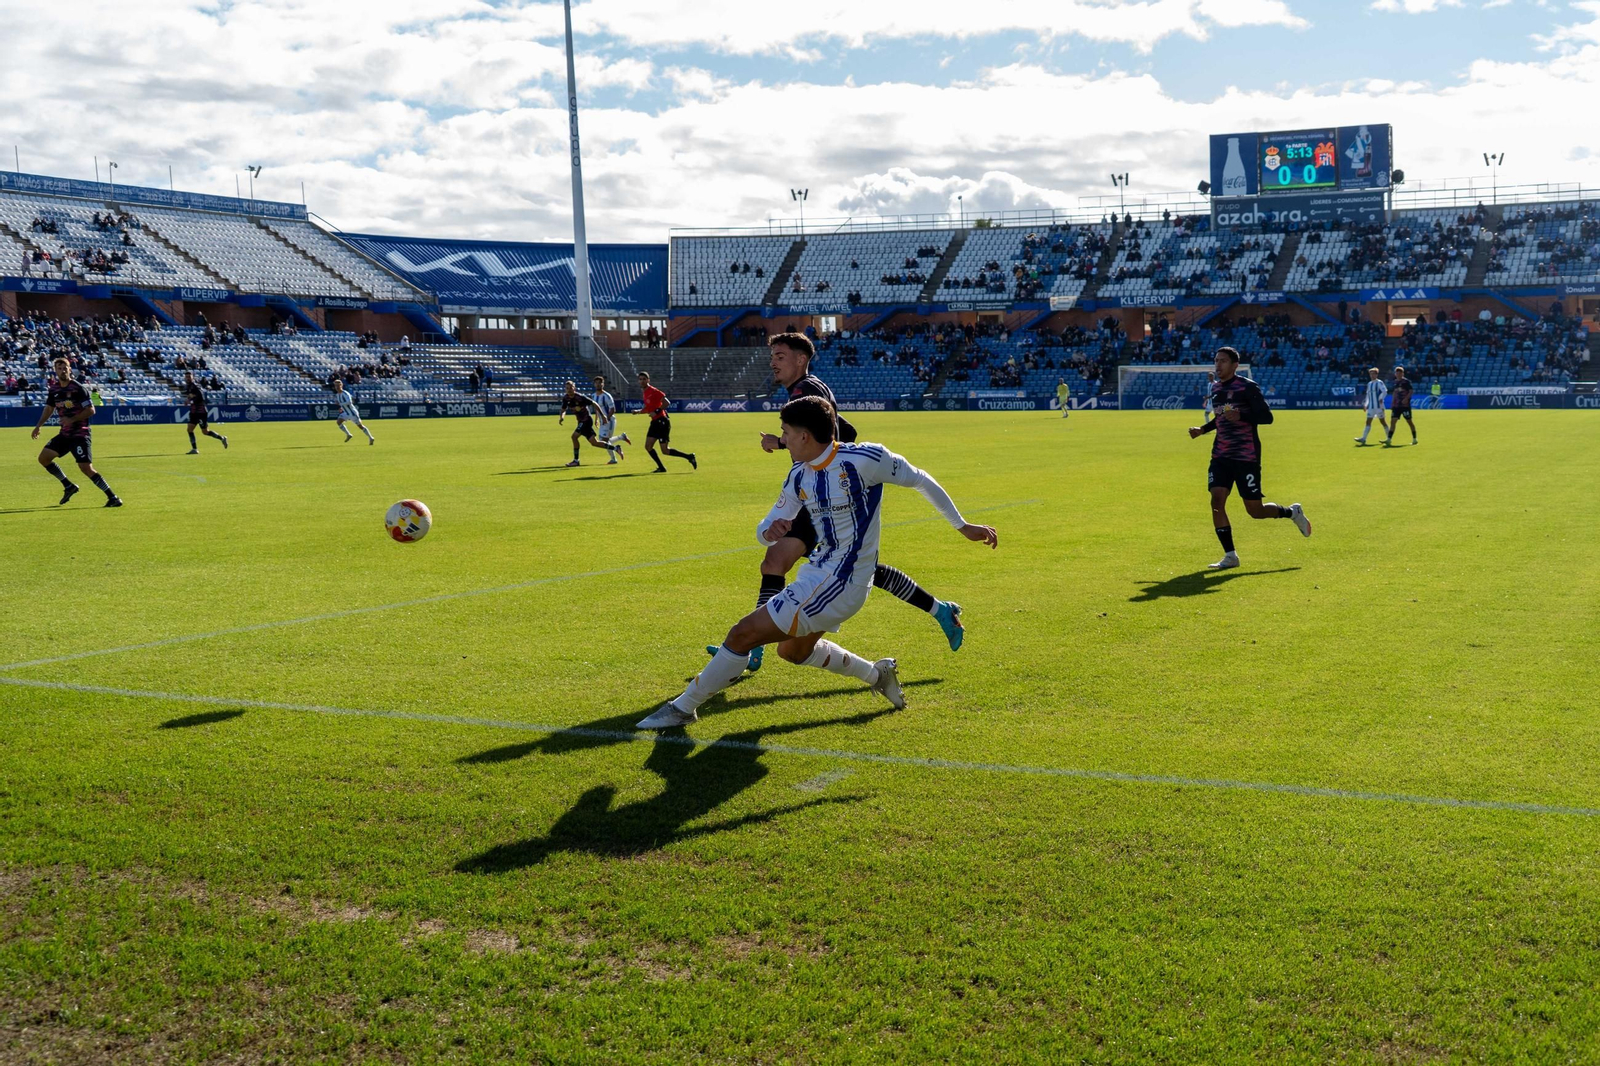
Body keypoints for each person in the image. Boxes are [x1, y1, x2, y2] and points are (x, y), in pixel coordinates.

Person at [636, 396, 999, 731]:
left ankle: (683, 708)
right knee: (792, 652)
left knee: (742, 634)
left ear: (805, 436)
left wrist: (962, 525)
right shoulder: (799, 475)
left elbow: (921, 479)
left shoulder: (866, 460)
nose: (783, 441)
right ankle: (878, 675)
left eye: (786, 434)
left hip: (843, 583)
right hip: (818, 575)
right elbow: (765, 528)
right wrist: (771, 530)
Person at [718, 332, 965, 672]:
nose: (773, 361)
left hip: (822, 497)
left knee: (776, 561)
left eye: (780, 355)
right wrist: (783, 444)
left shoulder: (806, 391)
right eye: (772, 355)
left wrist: (829, 471)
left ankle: (750, 648)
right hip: (819, 494)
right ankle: (940, 610)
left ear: (801, 360)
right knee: (858, 571)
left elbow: (839, 437)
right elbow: (843, 430)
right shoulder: (807, 390)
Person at [1188, 347, 1309, 570]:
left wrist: (1242, 415)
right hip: (1221, 455)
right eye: (1216, 360)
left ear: (1235, 365)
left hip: (1246, 456)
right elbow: (1221, 419)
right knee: (1216, 501)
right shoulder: (1215, 388)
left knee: (1255, 510)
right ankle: (1230, 556)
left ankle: (1292, 512)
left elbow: (1267, 417)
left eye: (1223, 361)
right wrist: (1202, 430)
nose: (1218, 365)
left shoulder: (1247, 387)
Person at [32, 357, 122, 507]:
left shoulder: (78, 388)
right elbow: (49, 408)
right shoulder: (54, 389)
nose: (63, 371)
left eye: (65, 367)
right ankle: (68, 486)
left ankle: (113, 497)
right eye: (59, 368)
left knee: (85, 468)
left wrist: (72, 419)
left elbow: (91, 410)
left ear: (70, 369)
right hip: (65, 434)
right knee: (44, 458)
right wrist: (38, 425)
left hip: (80, 434)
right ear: (55, 371)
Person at [637, 371, 696, 473]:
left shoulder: (653, 391)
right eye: (640, 379)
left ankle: (689, 457)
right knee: (648, 446)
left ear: (648, 380)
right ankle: (662, 468)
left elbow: (666, 402)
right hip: (655, 422)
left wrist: (657, 411)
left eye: (644, 379)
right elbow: (649, 408)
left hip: (662, 422)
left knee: (665, 450)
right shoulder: (645, 392)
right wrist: (638, 411)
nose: (642, 381)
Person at [558, 380, 617, 467]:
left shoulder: (580, 397)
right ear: (565, 389)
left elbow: (595, 404)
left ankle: (576, 460)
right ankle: (616, 448)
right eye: (567, 388)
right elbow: (563, 410)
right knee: (594, 442)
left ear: (574, 388)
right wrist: (562, 417)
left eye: (571, 388)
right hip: (581, 421)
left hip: (586, 420)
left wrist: (603, 416)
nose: (569, 390)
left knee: (574, 437)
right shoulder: (566, 398)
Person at [183, 371, 229, 453]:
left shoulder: (195, 386)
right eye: (186, 377)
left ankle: (222, 438)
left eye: (189, 377)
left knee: (205, 432)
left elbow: (201, 397)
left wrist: (191, 401)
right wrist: (189, 400)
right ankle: (194, 449)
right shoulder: (188, 386)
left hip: (201, 411)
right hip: (193, 412)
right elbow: (191, 396)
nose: (188, 378)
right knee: (189, 429)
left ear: (192, 377)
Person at [591, 374, 630, 464]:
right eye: (596, 383)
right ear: (594, 384)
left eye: (600, 383)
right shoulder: (593, 396)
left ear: (603, 384)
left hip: (610, 421)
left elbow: (613, 409)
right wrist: (596, 419)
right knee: (604, 441)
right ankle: (621, 437)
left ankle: (614, 459)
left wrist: (606, 419)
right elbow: (597, 409)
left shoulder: (607, 396)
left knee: (603, 441)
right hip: (602, 421)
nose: (598, 385)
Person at [330, 379, 374, 444]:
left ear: (341, 385)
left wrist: (340, 404)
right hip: (345, 412)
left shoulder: (345, 393)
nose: (337, 387)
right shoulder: (337, 395)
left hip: (352, 413)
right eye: (336, 386)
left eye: (338, 385)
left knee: (360, 426)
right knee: (339, 422)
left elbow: (349, 402)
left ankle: (371, 438)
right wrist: (341, 408)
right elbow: (343, 404)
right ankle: (348, 434)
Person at [1354, 366, 1388, 446]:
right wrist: (1365, 404)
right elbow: (1368, 396)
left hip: (1379, 407)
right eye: (1371, 374)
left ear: (1376, 375)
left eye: (1373, 374)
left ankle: (1388, 438)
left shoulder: (1379, 382)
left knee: (1383, 422)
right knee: (1368, 421)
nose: (1372, 375)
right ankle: (1363, 438)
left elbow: (1385, 391)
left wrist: (1380, 398)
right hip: (1371, 407)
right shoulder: (1369, 384)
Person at [1386, 366, 1417, 445]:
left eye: (1400, 373)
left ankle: (1414, 439)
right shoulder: (1395, 382)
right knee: (1393, 421)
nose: (1398, 374)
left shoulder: (1406, 382)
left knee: (1409, 421)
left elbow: (1411, 391)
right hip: (1396, 406)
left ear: (1402, 373)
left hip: (1405, 406)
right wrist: (1393, 402)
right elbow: (1394, 393)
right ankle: (1389, 439)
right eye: (1397, 373)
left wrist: (1406, 399)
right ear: (1395, 374)